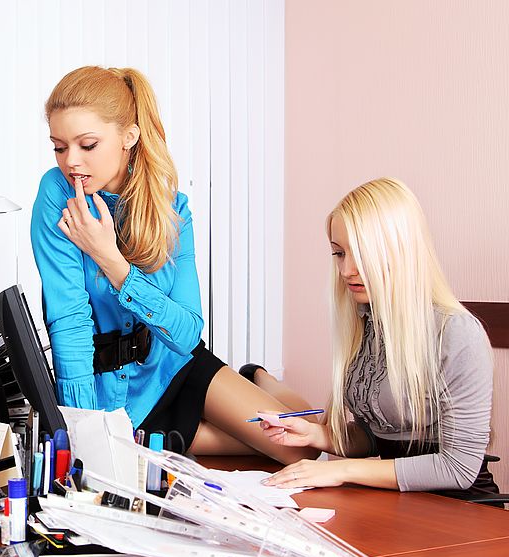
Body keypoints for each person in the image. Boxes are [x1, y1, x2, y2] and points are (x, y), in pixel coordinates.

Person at [29, 65, 319, 464]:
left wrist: (110, 260)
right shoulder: (56, 193)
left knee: (303, 446)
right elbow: (69, 318)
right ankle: (245, 389)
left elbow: (186, 333)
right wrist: (81, 428)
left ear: (129, 136)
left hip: (172, 365)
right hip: (114, 393)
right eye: (60, 147)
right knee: (259, 442)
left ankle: (258, 378)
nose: (71, 162)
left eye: (88, 145)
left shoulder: (172, 208)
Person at [256, 178, 496, 497]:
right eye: (339, 254)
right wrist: (318, 436)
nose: (346, 270)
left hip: (460, 507)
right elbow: (381, 436)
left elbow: (458, 467)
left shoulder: (457, 334)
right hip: (398, 501)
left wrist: (339, 469)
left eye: (361, 253)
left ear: (401, 252)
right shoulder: (366, 323)